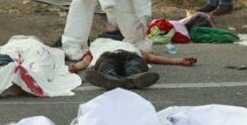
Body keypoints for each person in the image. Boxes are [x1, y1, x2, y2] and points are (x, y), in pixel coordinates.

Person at [69, 37, 197, 89]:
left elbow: (151, 57)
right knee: (107, 64)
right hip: (108, 56)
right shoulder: (95, 47)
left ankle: (130, 77)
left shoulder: (130, 45)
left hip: (129, 55)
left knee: (133, 64)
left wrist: (179, 61)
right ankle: (111, 78)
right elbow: (85, 62)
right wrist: (76, 67)